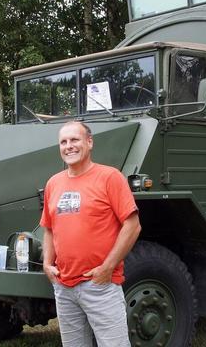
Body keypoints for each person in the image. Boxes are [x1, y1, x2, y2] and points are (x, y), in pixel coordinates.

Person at [40, 121, 141, 347]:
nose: (69, 146)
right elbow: (48, 227)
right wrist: (47, 263)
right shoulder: (53, 184)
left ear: (89, 142)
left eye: (75, 140)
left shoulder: (110, 177)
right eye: (63, 142)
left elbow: (133, 226)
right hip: (64, 287)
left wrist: (107, 267)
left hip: (100, 285)